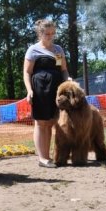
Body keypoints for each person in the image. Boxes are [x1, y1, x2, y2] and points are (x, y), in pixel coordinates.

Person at [23, 19, 69, 168]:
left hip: (56, 90)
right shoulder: (33, 50)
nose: (50, 36)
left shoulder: (58, 50)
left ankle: (48, 156)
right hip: (40, 89)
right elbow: (27, 72)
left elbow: (63, 70)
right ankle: (42, 158)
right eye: (47, 34)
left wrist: (68, 81)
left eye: (52, 33)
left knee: (50, 122)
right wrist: (29, 91)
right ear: (40, 34)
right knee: (41, 122)